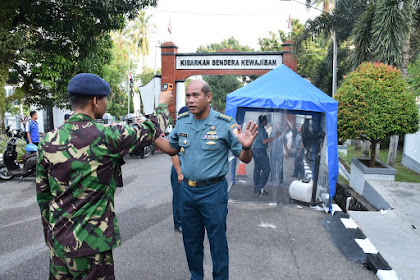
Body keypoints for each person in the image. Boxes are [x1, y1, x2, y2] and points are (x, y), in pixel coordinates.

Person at [36, 73, 173, 279]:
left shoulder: (47, 140)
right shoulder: (107, 136)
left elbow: (43, 197)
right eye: (105, 99)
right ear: (95, 101)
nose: (106, 104)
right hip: (91, 246)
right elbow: (151, 129)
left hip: (58, 244)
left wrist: (51, 236)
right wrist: (162, 104)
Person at [156, 79, 258, 280]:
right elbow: (171, 147)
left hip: (213, 192)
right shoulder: (183, 121)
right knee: (191, 242)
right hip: (187, 191)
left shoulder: (225, 124)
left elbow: (244, 157)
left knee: (217, 242)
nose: (191, 100)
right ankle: (196, 277)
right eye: (188, 95)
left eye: (196, 95)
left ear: (208, 97)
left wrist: (246, 146)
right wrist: (149, 134)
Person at [170, 105, 189, 233]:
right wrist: (179, 173)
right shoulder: (177, 131)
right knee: (179, 197)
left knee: (188, 197)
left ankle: (187, 221)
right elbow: (174, 154)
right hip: (179, 168)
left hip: (189, 169)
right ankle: (179, 223)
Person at [253, 115, 281, 196]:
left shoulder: (258, 128)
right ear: (263, 121)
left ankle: (256, 187)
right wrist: (275, 136)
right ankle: (260, 187)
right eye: (266, 120)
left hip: (255, 150)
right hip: (260, 151)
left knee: (257, 169)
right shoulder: (261, 129)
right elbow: (264, 141)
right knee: (267, 169)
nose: (267, 122)